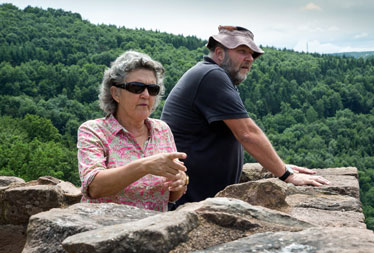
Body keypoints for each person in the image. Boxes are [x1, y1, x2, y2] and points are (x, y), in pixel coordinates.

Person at [161, 26, 329, 207]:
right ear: (219, 53)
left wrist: (279, 166)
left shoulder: (211, 75)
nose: (249, 58)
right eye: (242, 51)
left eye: (252, 54)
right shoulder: (211, 75)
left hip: (195, 197)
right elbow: (247, 133)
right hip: (188, 200)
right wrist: (287, 175)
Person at [77, 50, 188, 212]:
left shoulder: (162, 130)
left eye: (152, 89)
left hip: (156, 231)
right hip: (105, 231)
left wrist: (181, 181)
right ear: (115, 93)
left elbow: (171, 196)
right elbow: (94, 187)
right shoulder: (94, 131)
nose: (145, 95)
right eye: (136, 87)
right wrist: (145, 166)